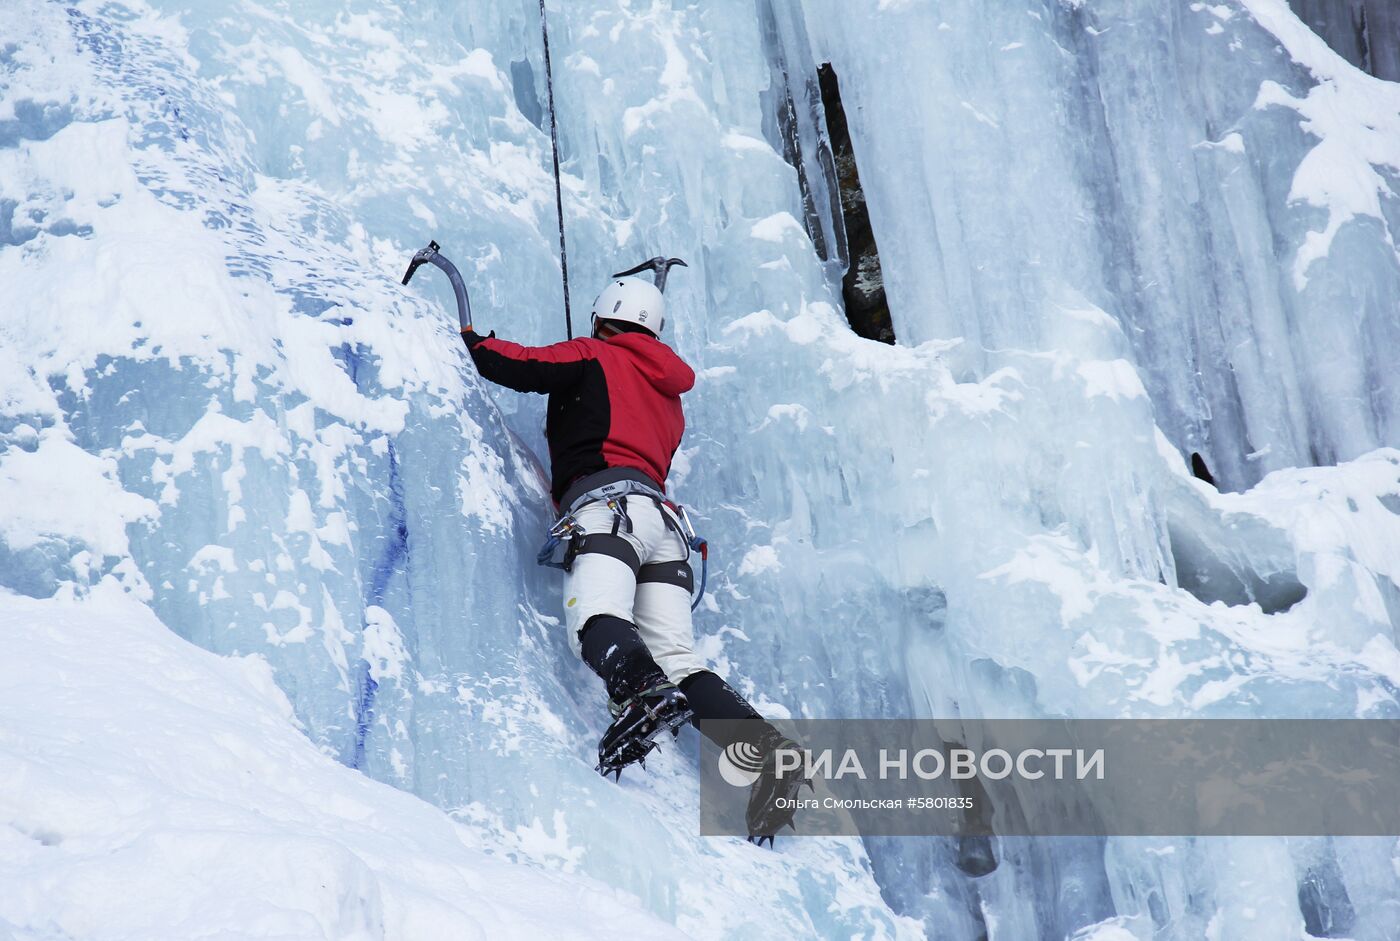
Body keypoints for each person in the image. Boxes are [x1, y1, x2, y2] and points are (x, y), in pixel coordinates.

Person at [461, 272, 801, 841]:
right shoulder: (670, 397)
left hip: (608, 511)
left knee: (596, 618)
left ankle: (642, 697)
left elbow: (521, 364)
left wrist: (472, 340)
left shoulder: (594, 353)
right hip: (667, 528)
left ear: (603, 317)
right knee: (678, 659)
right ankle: (768, 750)